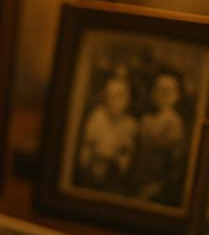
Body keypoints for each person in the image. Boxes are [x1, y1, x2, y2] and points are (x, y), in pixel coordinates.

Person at [130, 67, 188, 207]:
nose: (163, 94)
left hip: (158, 186)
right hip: (136, 180)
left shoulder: (175, 123)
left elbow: (174, 165)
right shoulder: (146, 119)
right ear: (152, 93)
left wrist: (158, 187)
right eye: (158, 89)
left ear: (177, 95)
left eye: (168, 90)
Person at [75, 73, 137, 193]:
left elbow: (126, 164)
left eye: (119, 96)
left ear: (128, 99)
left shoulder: (131, 125)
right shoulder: (96, 118)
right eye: (109, 96)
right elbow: (84, 157)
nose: (113, 101)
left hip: (116, 183)